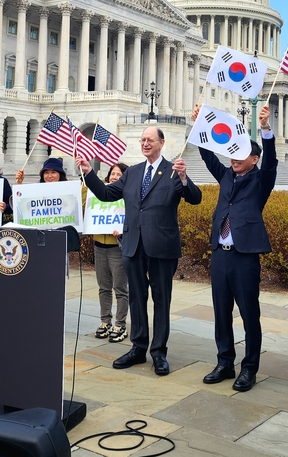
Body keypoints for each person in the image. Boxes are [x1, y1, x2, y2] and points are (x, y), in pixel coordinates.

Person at [76, 126, 202, 376]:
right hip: (133, 245)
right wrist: (89, 173)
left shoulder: (173, 171)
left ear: (161, 143)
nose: (145, 143)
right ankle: (138, 347)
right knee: (136, 298)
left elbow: (195, 198)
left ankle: (159, 353)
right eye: (142, 140)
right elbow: (105, 193)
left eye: (150, 140)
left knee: (161, 300)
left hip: (162, 247)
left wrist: (185, 178)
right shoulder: (132, 173)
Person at [194, 103, 277, 392]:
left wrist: (266, 130)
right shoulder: (227, 174)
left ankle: (250, 368)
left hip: (244, 257)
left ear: (254, 159)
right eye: (232, 153)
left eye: (240, 154)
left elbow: (272, 164)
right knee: (221, 312)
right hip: (220, 255)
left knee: (249, 314)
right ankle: (225, 362)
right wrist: (200, 126)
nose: (233, 158)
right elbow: (207, 157)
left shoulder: (260, 180)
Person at [92, 163, 129, 343]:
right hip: (99, 246)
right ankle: (105, 321)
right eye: (112, 173)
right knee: (103, 287)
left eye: (118, 174)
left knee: (120, 288)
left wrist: (122, 231)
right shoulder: (98, 194)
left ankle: (120, 324)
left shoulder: (127, 195)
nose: (114, 177)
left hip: (117, 248)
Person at [15, 157, 80, 251]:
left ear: (60, 174)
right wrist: (19, 183)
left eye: (53, 172)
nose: (49, 176)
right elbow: (19, 204)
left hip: (60, 238)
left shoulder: (69, 193)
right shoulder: (35, 191)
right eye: (46, 172)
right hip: (39, 238)